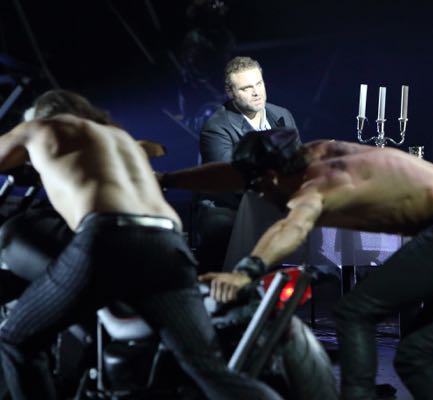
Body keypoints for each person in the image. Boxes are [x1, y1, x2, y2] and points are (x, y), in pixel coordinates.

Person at [160, 128, 433, 400]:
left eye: (258, 189)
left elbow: (291, 228)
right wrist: (165, 180)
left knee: (354, 312)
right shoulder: (317, 152)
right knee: (415, 355)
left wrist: (246, 271)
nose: (260, 196)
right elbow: (232, 173)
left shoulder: (318, 187)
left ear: (270, 178)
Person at [0, 89, 281, 400]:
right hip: (168, 241)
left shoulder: (38, 128)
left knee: (16, 339)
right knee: (209, 369)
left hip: (109, 237)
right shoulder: (120, 139)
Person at [194, 56, 299, 272]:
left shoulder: (282, 115)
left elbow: (298, 160)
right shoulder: (216, 127)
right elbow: (233, 180)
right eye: (246, 88)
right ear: (230, 92)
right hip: (232, 208)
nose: (256, 92)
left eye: (259, 84)